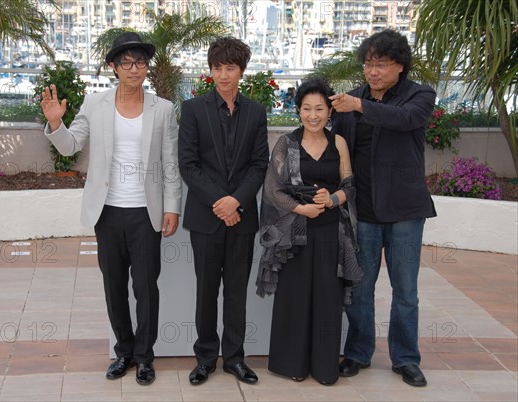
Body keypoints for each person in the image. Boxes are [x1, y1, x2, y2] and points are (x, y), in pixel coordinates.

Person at [41, 32, 181, 386]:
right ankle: (124, 353)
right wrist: (56, 123)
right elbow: (72, 146)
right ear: (113, 67)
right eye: (128, 63)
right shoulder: (95, 104)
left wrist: (172, 207)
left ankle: (145, 358)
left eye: (141, 63)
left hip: (145, 212)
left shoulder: (162, 109)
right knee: (114, 286)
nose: (136, 70)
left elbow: (170, 163)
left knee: (147, 288)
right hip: (107, 211)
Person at [330, 29, 436, 387]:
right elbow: (337, 147)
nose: (372, 71)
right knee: (360, 288)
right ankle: (358, 352)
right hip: (365, 211)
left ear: (400, 66)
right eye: (368, 64)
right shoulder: (351, 100)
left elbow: (404, 121)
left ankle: (405, 359)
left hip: (405, 210)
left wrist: (360, 106)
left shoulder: (419, 95)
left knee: (405, 290)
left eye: (381, 64)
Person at [256, 77, 362, 385]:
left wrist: (331, 200)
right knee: (295, 298)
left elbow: (350, 187)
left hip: (331, 233)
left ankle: (325, 366)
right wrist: (301, 208)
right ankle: (293, 363)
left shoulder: (338, 143)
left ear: (330, 111)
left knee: (328, 299)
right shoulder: (286, 143)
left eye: (319, 108)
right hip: (295, 235)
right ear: (298, 110)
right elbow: (272, 189)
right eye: (306, 108)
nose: (313, 115)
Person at [178, 36, 269, 386]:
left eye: (230, 68)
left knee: (236, 292)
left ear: (241, 71)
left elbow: (259, 164)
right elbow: (188, 165)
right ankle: (205, 359)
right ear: (210, 70)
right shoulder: (194, 110)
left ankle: (234, 358)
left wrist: (238, 201)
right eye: (217, 68)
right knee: (205, 292)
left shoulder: (256, 112)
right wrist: (221, 202)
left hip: (242, 218)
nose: (223, 75)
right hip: (206, 218)